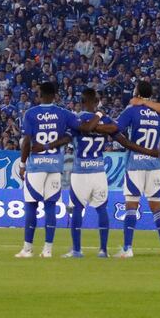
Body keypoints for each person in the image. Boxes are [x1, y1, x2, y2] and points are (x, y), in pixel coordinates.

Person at [16, 81, 81, 258]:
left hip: (36, 166)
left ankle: (27, 249)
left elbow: (27, 141)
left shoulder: (31, 113)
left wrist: (22, 165)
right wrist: (57, 142)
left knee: (31, 205)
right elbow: (76, 131)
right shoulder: (64, 114)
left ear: (39, 94)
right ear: (55, 95)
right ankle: (47, 250)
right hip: (54, 165)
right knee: (50, 206)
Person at [63, 87, 123, 258]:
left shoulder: (76, 119)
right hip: (98, 170)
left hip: (80, 171)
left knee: (76, 209)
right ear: (97, 102)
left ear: (82, 102)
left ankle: (76, 250)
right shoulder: (105, 119)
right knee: (102, 209)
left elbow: (70, 136)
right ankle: (103, 250)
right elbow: (117, 132)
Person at [117, 80, 160, 259]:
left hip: (135, 164)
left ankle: (128, 248)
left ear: (136, 92)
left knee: (131, 206)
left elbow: (116, 128)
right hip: (154, 165)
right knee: (157, 207)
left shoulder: (131, 110)